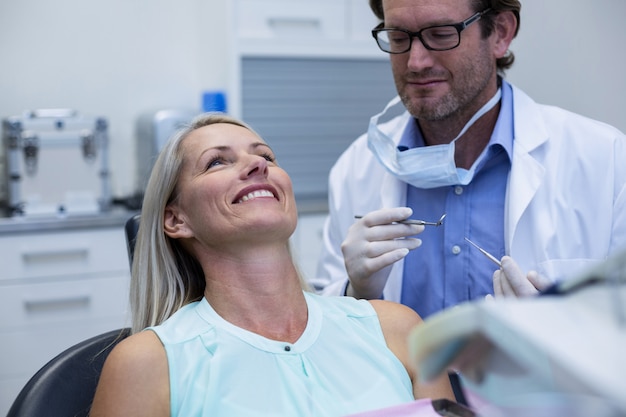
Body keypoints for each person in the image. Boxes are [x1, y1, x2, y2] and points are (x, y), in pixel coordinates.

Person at [90, 113, 453, 417]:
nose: (258, 164)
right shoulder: (148, 364)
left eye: (266, 155)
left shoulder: (397, 329)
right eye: (217, 161)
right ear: (176, 219)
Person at [313, 0, 626, 319]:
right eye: (398, 37)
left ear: (501, 33)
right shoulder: (355, 169)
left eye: (440, 34)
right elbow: (321, 330)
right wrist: (355, 292)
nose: (416, 62)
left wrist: (565, 336)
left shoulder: (606, 160)